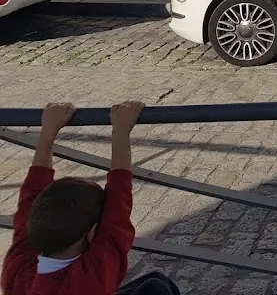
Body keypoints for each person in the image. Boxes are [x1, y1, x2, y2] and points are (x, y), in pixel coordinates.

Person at [1, 101, 180, 295]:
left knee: (154, 283)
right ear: (92, 233)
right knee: (157, 288)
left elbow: (31, 195)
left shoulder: (17, 269)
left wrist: (48, 128)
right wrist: (121, 129)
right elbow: (115, 221)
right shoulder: (92, 278)